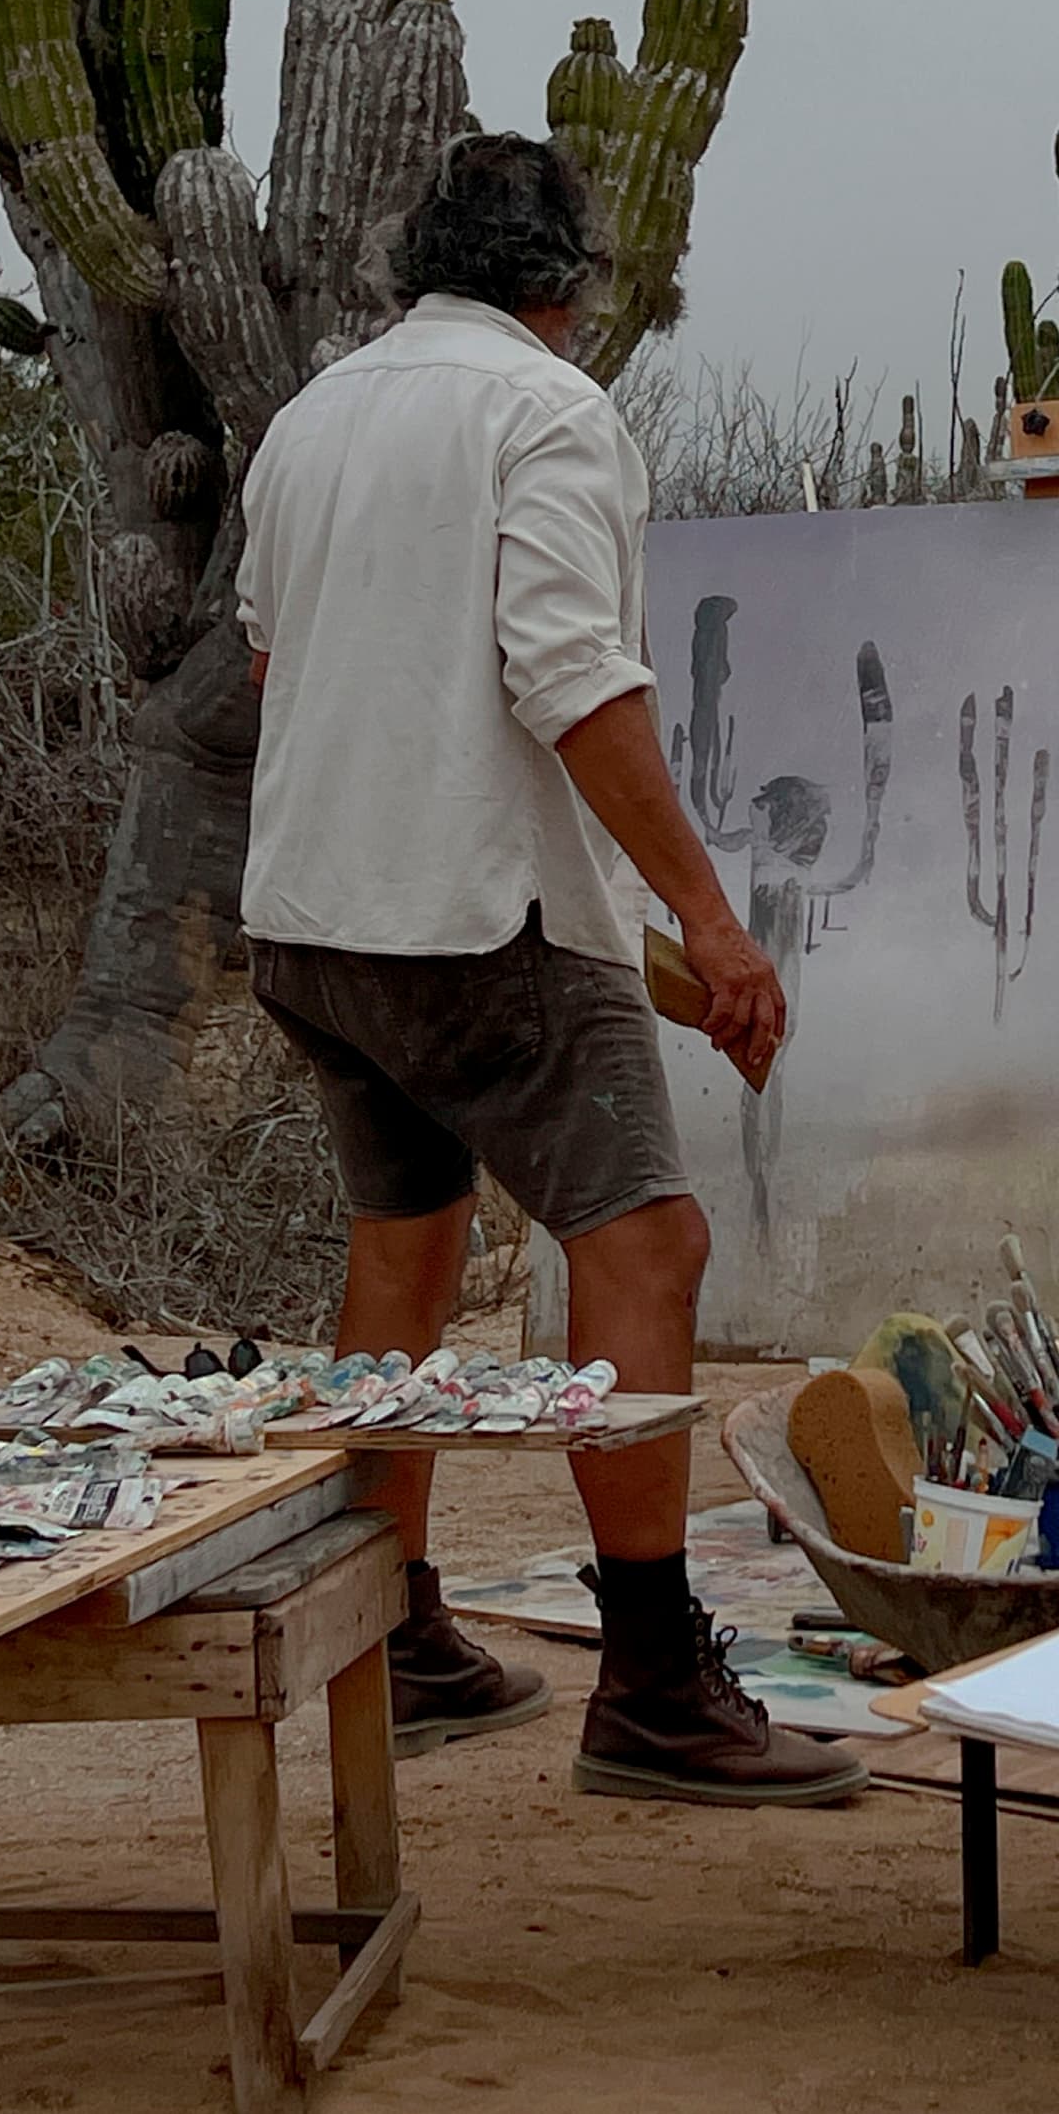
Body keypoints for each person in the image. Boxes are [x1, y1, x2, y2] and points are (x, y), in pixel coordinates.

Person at [236, 132, 866, 1807]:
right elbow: (571, 675)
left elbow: (273, 652)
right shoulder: (548, 413)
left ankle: (394, 1628)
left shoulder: (313, 420)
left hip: (310, 919)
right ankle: (657, 1683)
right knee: (648, 1242)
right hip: (480, 923)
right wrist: (711, 922)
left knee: (407, 1249)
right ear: (566, 290)